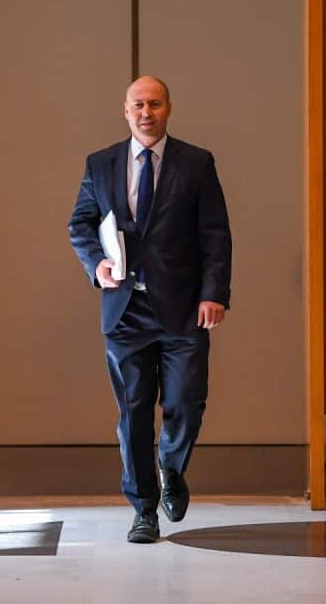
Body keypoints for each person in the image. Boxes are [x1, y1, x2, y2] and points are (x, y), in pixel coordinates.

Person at [67, 75, 232, 543]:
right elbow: (80, 221)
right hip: (125, 311)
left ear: (168, 109)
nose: (146, 112)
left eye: (154, 104)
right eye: (138, 104)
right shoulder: (100, 164)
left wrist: (214, 292)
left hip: (182, 309)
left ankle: (171, 467)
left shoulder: (196, 164)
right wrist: (96, 264)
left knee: (185, 403)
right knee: (134, 413)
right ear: (125, 110)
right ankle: (143, 510)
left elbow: (215, 234)